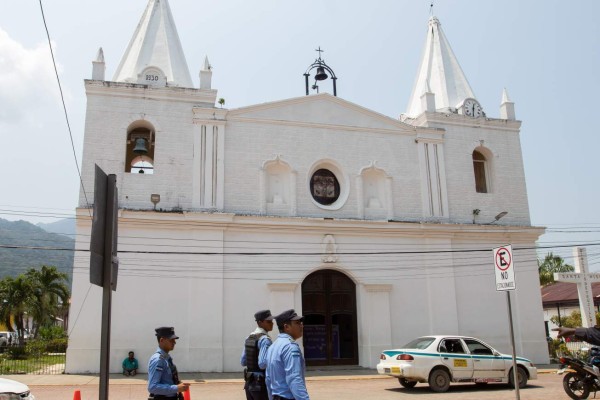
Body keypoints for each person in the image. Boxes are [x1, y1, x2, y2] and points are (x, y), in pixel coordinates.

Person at [266, 309, 309, 400]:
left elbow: (268, 379)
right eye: (297, 323)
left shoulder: (273, 347)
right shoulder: (290, 347)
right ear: (286, 327)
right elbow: (294, 378)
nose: (301, 326)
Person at [148, 327, 190, 400]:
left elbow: (167, 379)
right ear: (162, 340)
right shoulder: (158, 359)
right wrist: (176, 388)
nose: (174, 342)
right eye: (171, 340)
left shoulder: (166, 358)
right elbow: (152, 387)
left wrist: (178, 383)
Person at [241, 309, 274, 400]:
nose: (272, 323)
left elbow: (243, 361)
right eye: (269, 321)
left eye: (271, 321)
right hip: (260, 384)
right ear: (260, 322)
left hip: (249, 384)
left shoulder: (249, 338)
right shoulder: (265, 340)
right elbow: (262, 364)